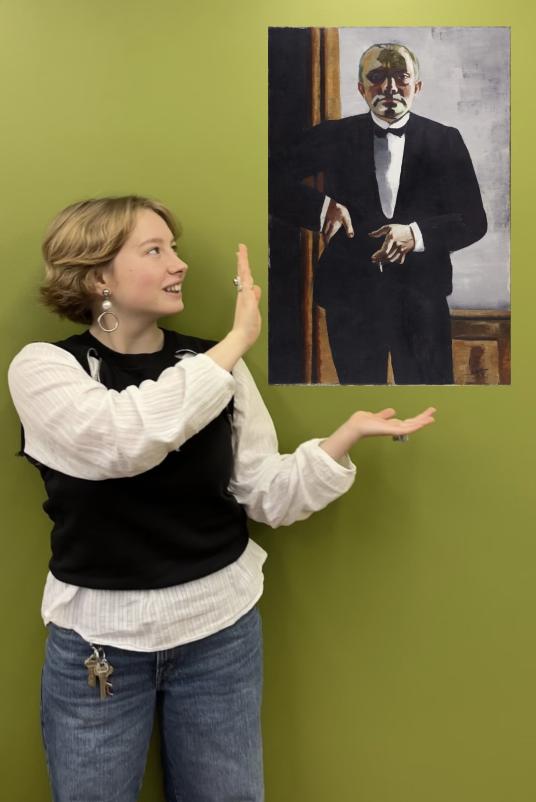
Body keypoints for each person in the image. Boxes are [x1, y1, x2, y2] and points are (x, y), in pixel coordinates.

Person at [7, 195, 436, 802]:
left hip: (219, 635)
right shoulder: (45, 367)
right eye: (155, 250)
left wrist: (341, 441)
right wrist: (235, 342)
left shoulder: (215, 364)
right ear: (98, 274)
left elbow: (266, 495)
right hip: (97, 647)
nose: (179, 264)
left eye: (174, 248)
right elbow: (119, 441)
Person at [269, 42, 488, 385]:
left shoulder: (444, 140)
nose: (389, 87)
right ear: (361, 88)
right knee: (358, 403)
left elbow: (474, 220)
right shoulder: (334, 135)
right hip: (350, 300)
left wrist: (414, 234)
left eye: (401, 77)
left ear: (417, 86)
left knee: (428, 403)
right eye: (377, 77)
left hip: (422, 301)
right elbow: (268, 177)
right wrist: (324, 208)